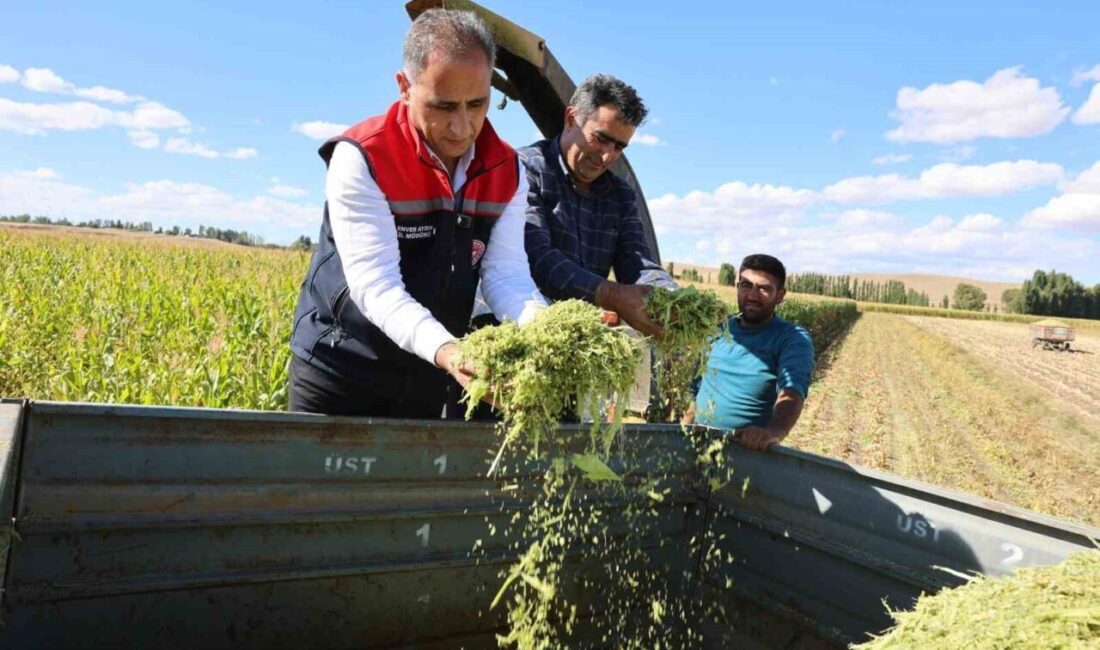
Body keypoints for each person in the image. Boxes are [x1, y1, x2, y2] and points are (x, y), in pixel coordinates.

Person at [288, 9, 546, 417]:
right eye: (443, 106)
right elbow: (376, 284)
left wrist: (546, 328)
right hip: (343, 368)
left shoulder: (507, 169)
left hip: (427, 372)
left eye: (477, 104)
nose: (462, 127)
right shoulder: (364, 157)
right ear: (405, 87)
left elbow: (505, 274)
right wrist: (448, 350)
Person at [519, 74, 676, 336]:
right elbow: (537, 257)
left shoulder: (619, 195)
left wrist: (670, 296)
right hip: (520, 326)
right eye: (601, 138)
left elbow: (637, 262)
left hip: (580, 339)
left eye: (619, 147)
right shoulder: (525, 168)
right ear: (571, 119)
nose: (607, 156)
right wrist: (611, 294)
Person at [687, 254, 814, 450]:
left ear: (780, 295)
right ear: (737, 287)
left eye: (763, 288)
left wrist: (774, 431)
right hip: (697, 442)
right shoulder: (718, 328)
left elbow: (792, 391)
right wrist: (687, 418)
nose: (752, 296)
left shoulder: (791, 337)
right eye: (746, 285)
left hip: (745, 450)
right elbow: (699, 382)